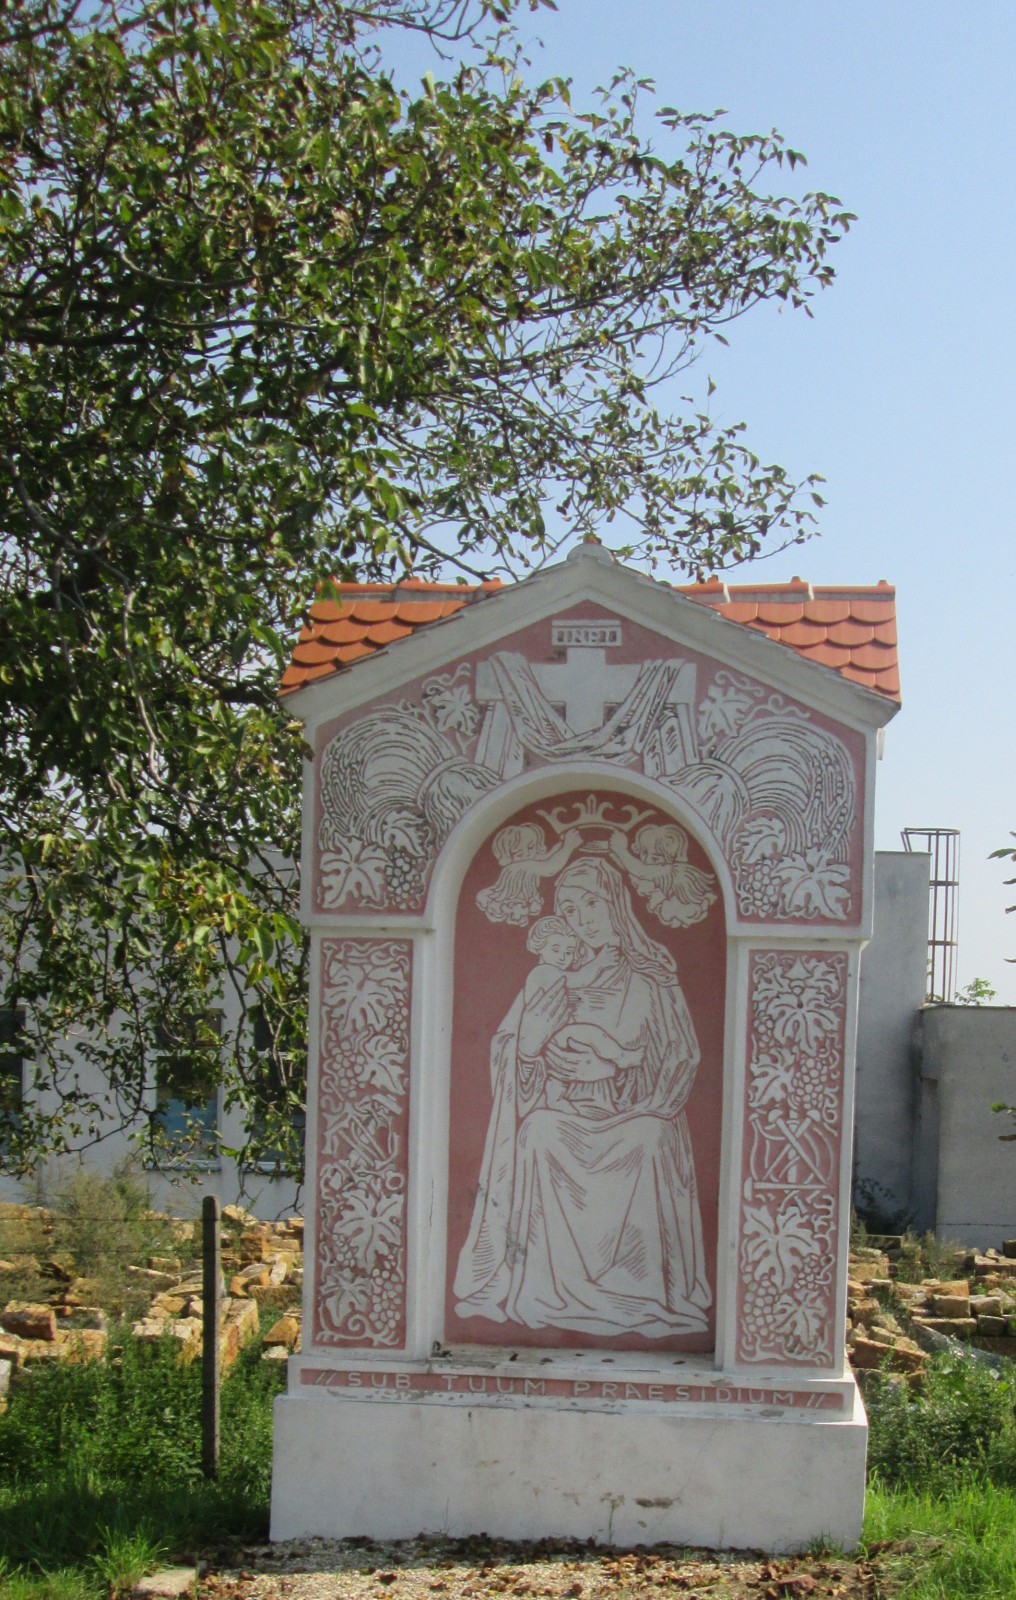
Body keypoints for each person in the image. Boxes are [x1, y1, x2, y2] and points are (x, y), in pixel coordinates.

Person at [454, 856, 711, 1339]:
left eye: (590, 903)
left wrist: (614, 1069)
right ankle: (549, 1292)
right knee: (537, 1132)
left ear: (614, 903)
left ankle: (643, 1295)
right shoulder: (551, 979)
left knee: (651, 1137)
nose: (582, 918)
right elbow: (513, 1059)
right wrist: (529, 1046)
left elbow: (681, 1057)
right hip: (568, 1114)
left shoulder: (652, 975)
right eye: (569, 910)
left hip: (635, 1115)